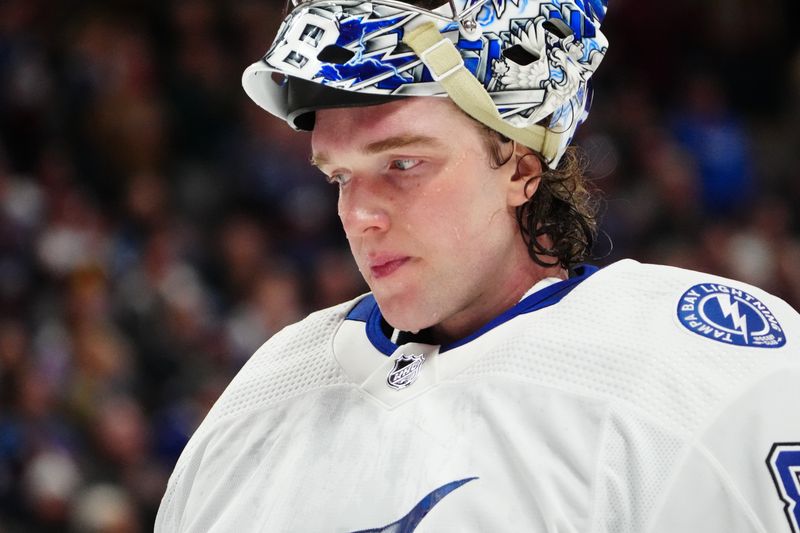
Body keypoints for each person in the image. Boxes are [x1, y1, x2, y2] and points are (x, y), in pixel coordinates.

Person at [156, 0, 800, 531]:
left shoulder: (694, 375)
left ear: (520, 166)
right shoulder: (262, 398)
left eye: (403, 164)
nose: (359, 216)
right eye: (339, 177)